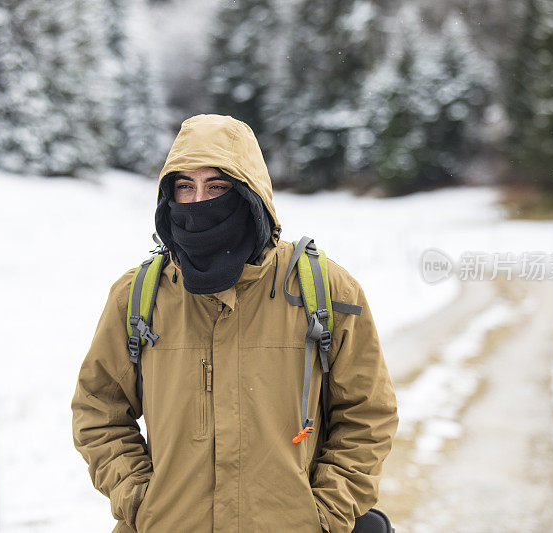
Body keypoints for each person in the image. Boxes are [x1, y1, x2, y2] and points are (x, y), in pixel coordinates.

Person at [71, 114, 398, 532]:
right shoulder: (139, 296)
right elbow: (98, 409)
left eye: (217, 186)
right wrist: (138, 499)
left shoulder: (326, 290)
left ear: (250, 194)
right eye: (184, 186)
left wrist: (325, 513)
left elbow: (367, 414)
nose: (197, 201)